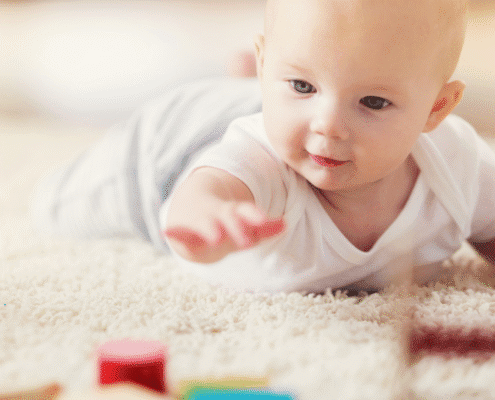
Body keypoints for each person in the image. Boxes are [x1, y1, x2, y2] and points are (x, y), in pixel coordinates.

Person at [33, 0, 495, 294]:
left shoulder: (458, 164)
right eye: (302, 82)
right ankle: (250, 82)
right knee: (53, 208)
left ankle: (267, 83)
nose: (329, 126)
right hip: (169, 148)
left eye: (373, 101)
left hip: (269, 106)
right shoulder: (258, 161)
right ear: (265, 62)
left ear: (438, 107)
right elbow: (207, 191)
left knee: (291, 101)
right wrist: (211, 220)